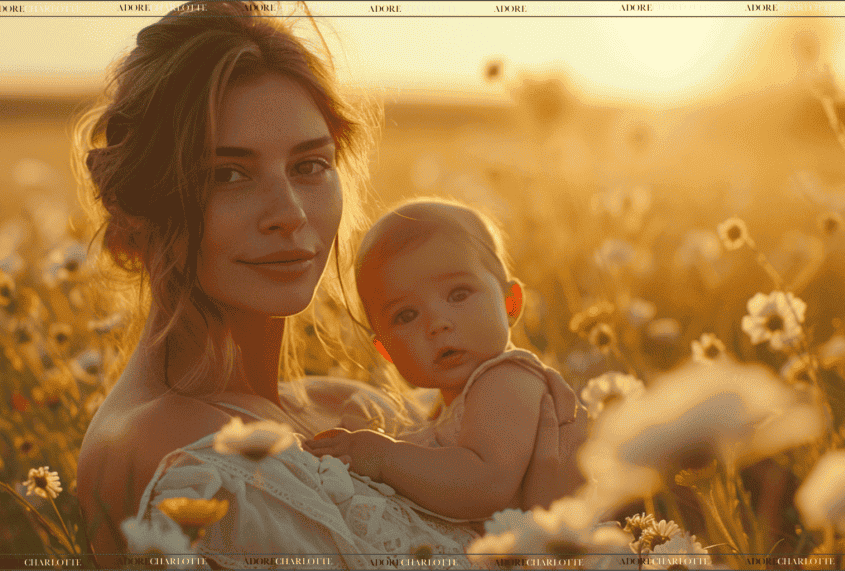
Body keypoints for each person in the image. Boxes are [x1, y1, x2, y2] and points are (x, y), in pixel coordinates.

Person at [74, 2, 585, 567]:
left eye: (310, 165)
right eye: (229, 174)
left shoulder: (349, 407)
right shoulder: (187, 455)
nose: (289, 213)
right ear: (143, 200)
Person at [305, 199, 587, 521]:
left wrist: (384, 456)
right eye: (406, 315)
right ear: (387, 352)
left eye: (458, 294)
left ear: (510, 303)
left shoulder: (507, 379)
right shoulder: (453, 399)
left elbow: (485, 485)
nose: (437, 323)